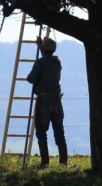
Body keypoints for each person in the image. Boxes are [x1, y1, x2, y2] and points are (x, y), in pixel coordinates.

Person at [27, 36, 68, 167]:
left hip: (43, 99)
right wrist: (41, 47)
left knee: (41, 131)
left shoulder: (39, 62)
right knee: (59, 131)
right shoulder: (58, 61)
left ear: (43, 48)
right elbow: (48, 60)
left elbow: (31, 78)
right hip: (56, 99)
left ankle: (45, 162)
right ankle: (63, 162)